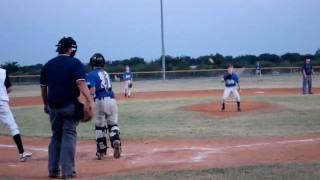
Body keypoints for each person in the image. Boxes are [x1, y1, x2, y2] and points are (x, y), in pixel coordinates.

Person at [40, 37, 94, 178]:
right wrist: (90, 100)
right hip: (69, 105)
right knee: (69, 135)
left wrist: (45, 104)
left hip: (53, 106)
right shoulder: (75, 63)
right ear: (71, 49)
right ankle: (67, 172)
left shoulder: (48, 64)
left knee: (56, 136)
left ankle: (53, 170)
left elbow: (43, 88)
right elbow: (81, 83)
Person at [86, 53, 122, 160]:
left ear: (92, 63)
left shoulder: (91, 74)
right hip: (111, 100)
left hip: (100, 101)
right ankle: (115, 140)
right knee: (113, 124)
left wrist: (89, 102)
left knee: (100, 128)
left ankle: (101, 152)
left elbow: (92, 90)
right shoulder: (105, 73)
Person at [0, 68, 32, 162]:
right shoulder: (2, 72)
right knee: (12, 127)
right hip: (2, 103)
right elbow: (9, 89)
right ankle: (22, 153)